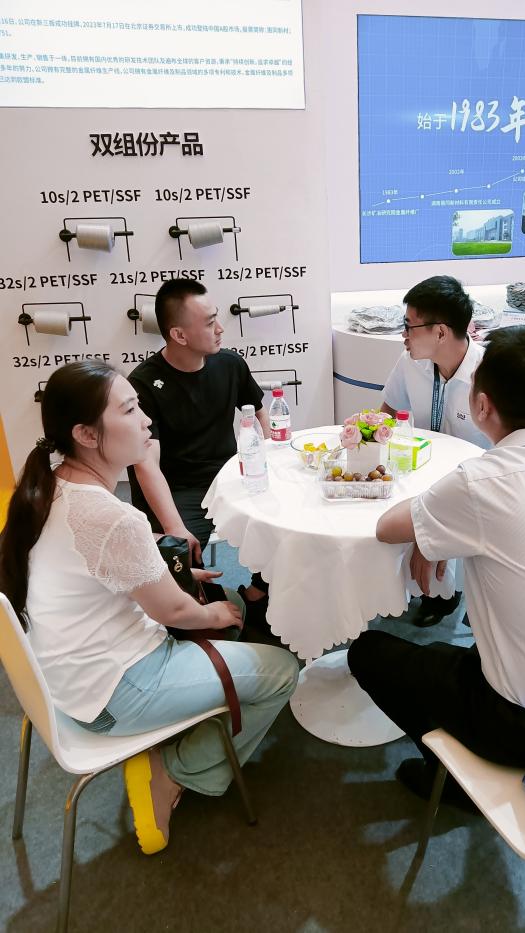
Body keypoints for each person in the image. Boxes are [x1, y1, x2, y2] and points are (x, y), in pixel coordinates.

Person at [0, 361, 298, 854]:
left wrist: (169, 580)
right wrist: (214, 616)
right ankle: (175, 771)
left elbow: (105, 571)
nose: (146, 421)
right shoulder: (111, 517)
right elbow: (175, 613)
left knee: (223, 603)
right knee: (281, 668)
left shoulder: (50, 485)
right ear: (86, 435)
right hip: (114, 693)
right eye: (129, 410)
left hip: (69, 678)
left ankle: (184, 722)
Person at [348, 326, 525, 807]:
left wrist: (435, 525)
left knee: (368, 652)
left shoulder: (482, 481)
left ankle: (455, 782)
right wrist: (443, 529)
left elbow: (386, 527)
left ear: (482, 406)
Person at [128, 278, 270, 628]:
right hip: (177, 488)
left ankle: (259, 591)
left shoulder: (230, 364)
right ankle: (196, 612)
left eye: (216, 318)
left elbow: (260, 414)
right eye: (209, 323)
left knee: (284, 519)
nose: (220, 329)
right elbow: (147, 466)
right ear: (179, 335)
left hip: (229, 477)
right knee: (176, 552)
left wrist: (273, 464)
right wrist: (175, 528)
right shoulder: (144, 383)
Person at [381, 275, 487, 627]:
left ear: (440, 332)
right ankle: (416, 586)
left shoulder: (487, 374)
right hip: (421, 471)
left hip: (478, 485)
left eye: (409, 326)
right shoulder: (409, 362)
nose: (403, 335)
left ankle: (448, 593)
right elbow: (387, 412)